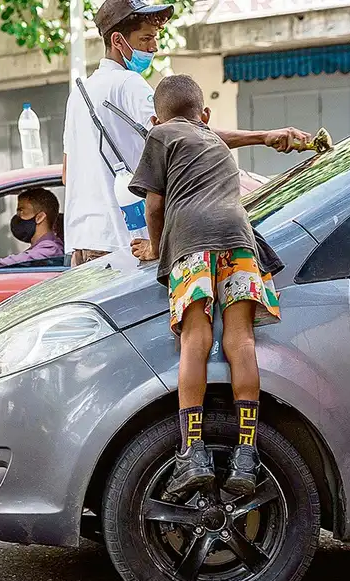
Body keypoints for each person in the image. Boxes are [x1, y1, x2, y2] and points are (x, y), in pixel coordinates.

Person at [62, 0, 312, 268]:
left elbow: (67, 174)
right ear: (117, 40)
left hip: (82, 243)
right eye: (145, 38)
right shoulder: (128, 83)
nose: (153, 47)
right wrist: (262, 137)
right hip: (125, 241)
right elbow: (189, 134)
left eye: (155, 38)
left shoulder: (79, 94)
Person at [128, 75, 282, 498]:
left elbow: (154, 203)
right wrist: (268, 136)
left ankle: (192, 453)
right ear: (206, 115)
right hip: (239, 239)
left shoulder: (160, 133)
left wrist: (155, 248)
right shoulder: (211, 140)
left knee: (196, 338)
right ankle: (246, 455)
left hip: (191, 241)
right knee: (241, 340)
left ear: (155, 117)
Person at [0, 188, 64, 269]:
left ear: (40, 217)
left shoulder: (50, 249)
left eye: (22, 212)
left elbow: (9, 263)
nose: (18, 217)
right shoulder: (41, 247)